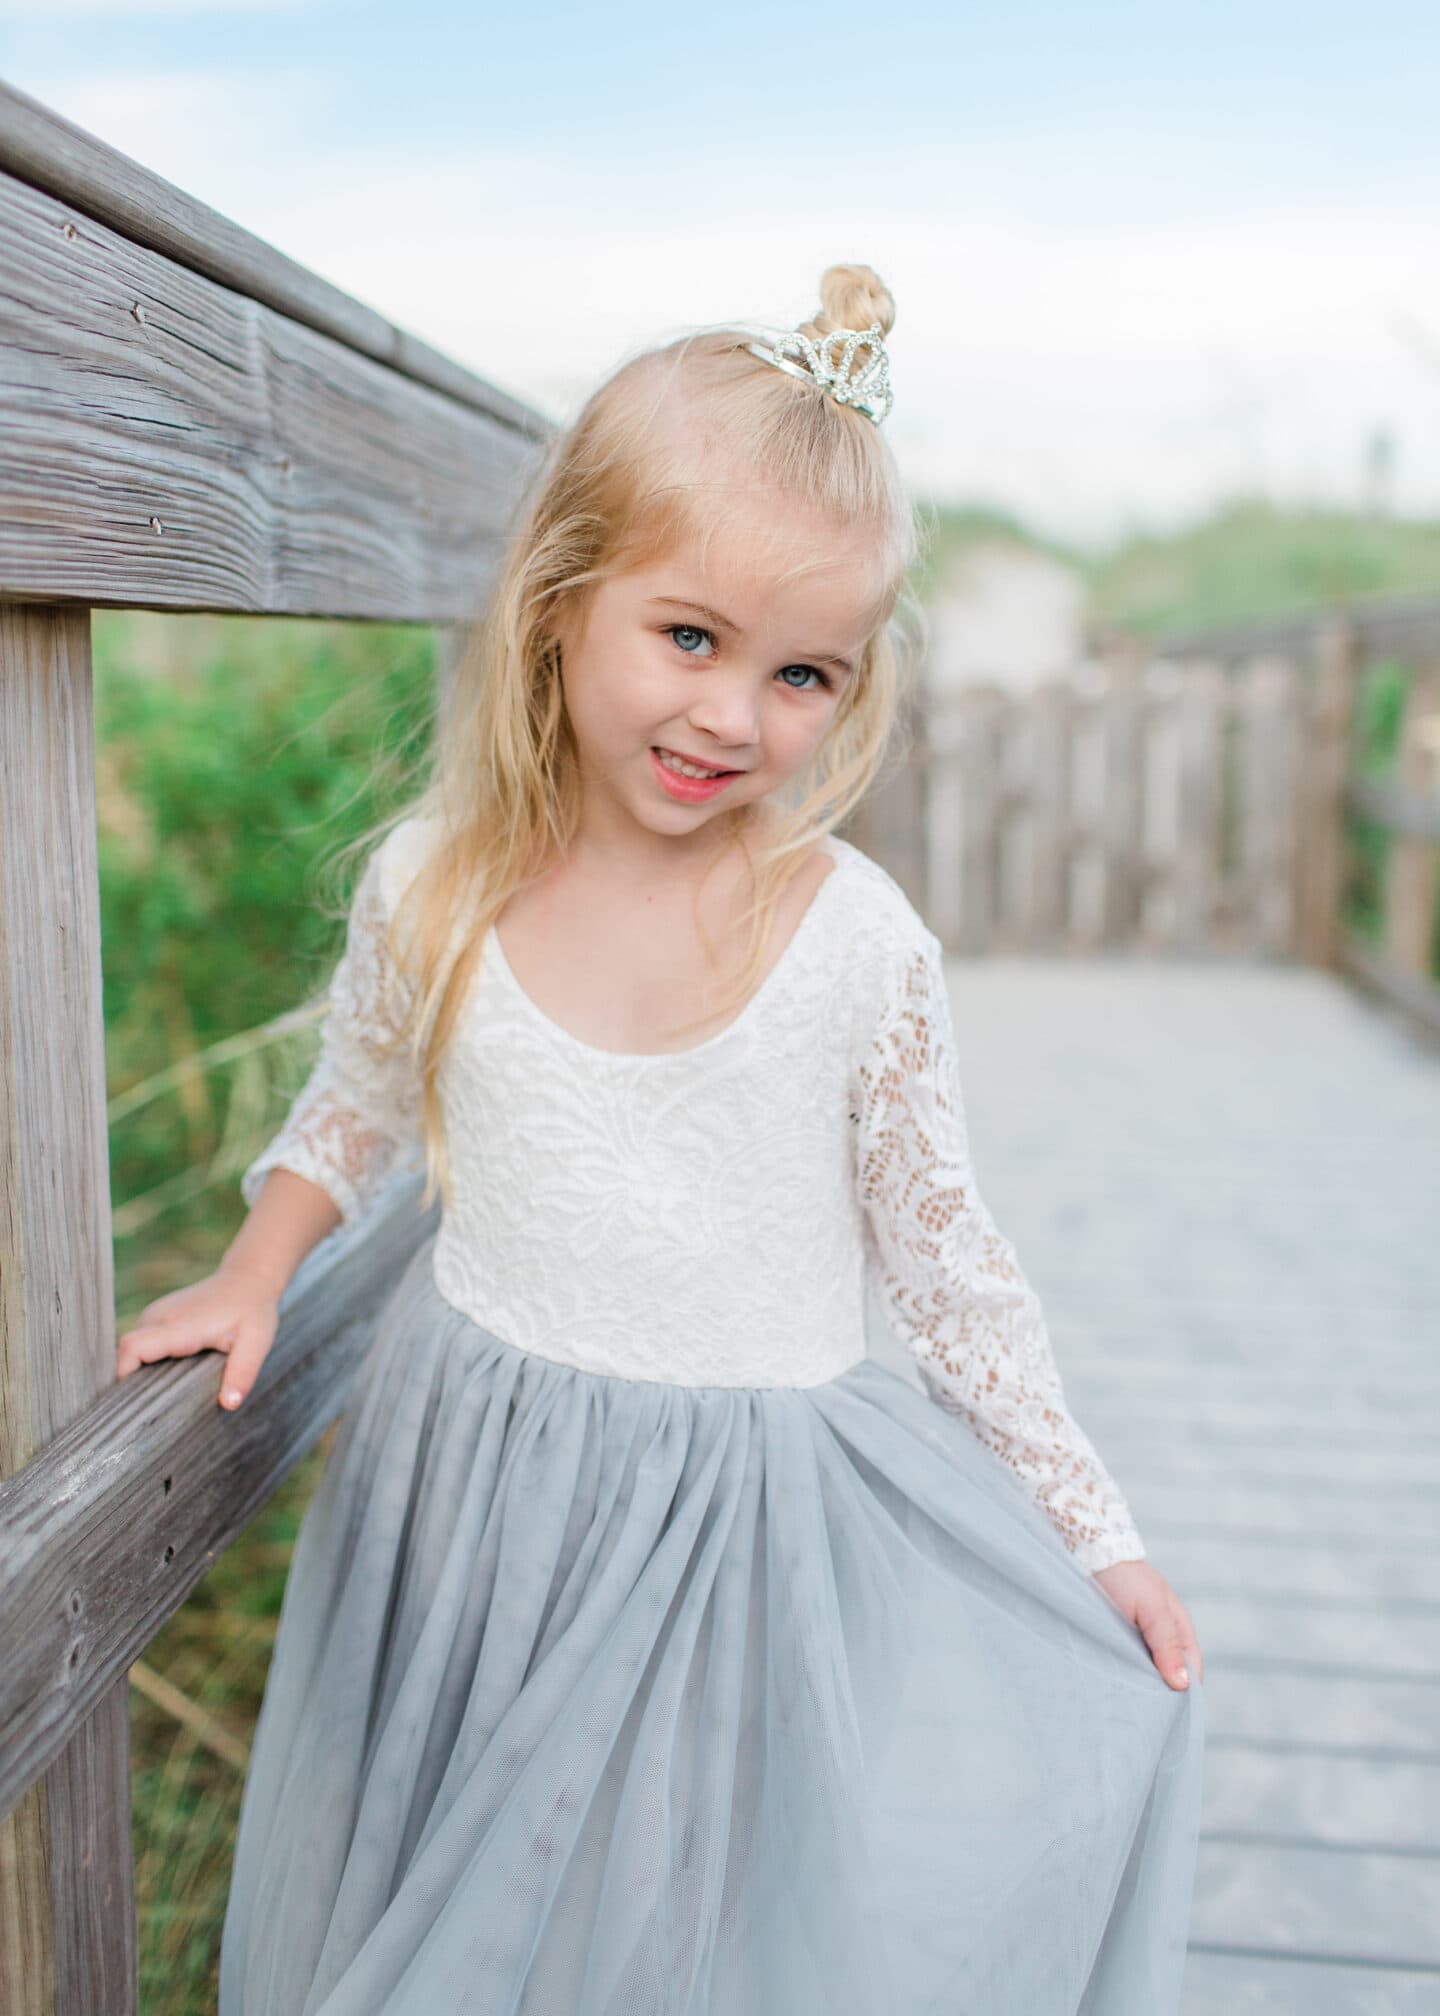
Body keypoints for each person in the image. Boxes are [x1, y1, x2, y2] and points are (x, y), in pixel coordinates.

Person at [116, 263, 1206, 2014]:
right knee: (470, 1886)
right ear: (562, 603)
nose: (731, 717)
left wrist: (1098, 1533)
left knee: (672, 1912)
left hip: (731, 1535)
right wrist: (259, 1269)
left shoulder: (854, 943)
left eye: (803, 675)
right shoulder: (437, 885)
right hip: (472, 1483)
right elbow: (359, 1104)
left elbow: (952, 1268)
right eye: (688, 638)